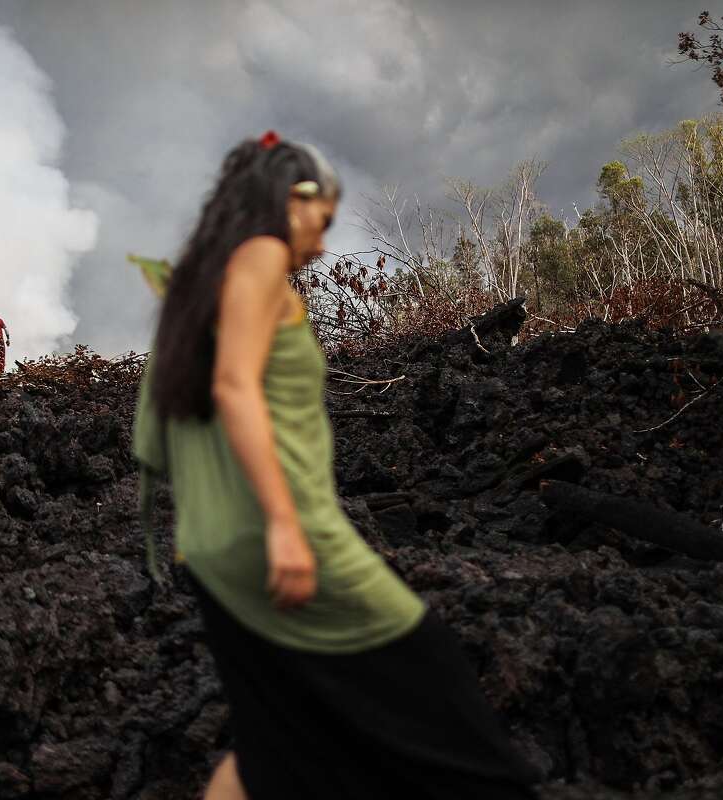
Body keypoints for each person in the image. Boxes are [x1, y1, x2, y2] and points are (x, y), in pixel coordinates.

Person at [132, 130, 540, 800]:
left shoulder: (199, 290)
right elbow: (234, 387)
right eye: (322, 222)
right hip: (279, 535)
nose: (322, 244)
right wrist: (286, 526)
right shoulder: (259, 256)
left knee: (273, 758)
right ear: (290, 200)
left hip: (210, 549)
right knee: (440, 682)